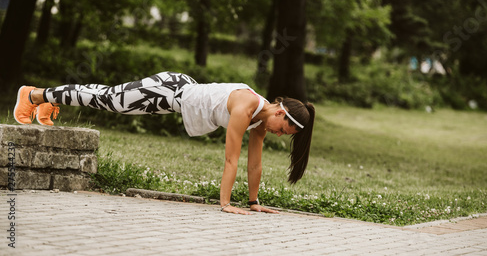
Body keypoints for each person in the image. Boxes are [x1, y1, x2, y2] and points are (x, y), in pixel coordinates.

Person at [13, 71, 315, 215]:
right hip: (169, 89)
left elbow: (255, 164)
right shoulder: (245, 107)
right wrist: (225, 204)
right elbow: (231, 158)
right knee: (109, 100)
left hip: (175, 99)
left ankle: (45, 100)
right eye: (282, 129)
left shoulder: (260, 121)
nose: (278, 134)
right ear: (280, 110)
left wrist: (253, 203)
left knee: (108, 100)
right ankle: (35, 94)